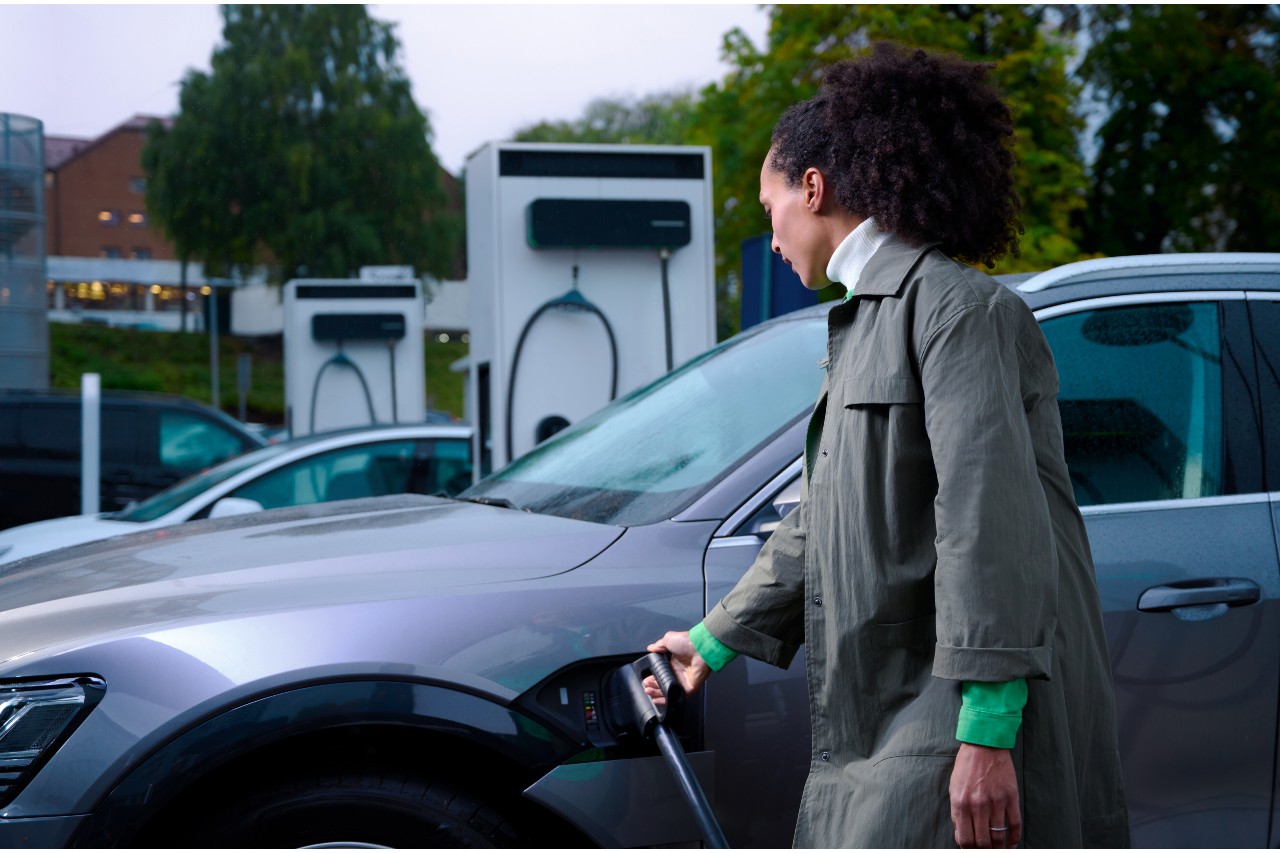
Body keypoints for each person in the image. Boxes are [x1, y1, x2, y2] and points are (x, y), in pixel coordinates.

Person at [646, 43, 1129, 848]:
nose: (772, 237)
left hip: (950, 719)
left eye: (770, 208)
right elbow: (821, 520)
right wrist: (708, 641)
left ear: (813, 188)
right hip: (897, 718)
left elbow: (989, 522)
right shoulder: (866, 321)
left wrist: (988, 732)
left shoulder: (957, 312)